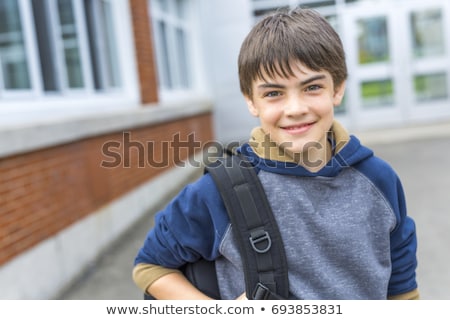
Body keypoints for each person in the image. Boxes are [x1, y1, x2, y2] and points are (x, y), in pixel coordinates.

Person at [132, 7, 419, 300]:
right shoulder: (219, 191)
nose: (295, 109)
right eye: (273, 93)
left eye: (312, 87)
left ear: (338, 88)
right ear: (251, 101)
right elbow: (150, 266)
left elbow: (403, 290)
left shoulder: (380, 180)